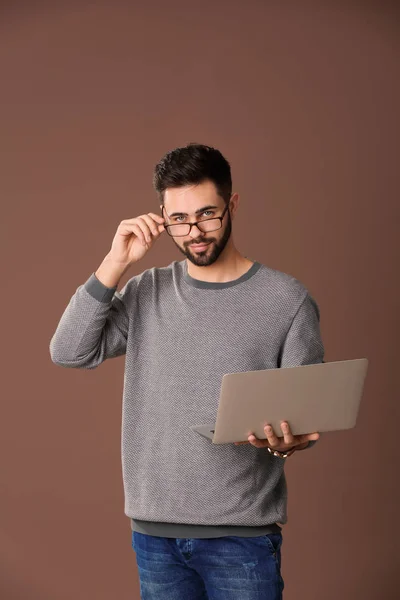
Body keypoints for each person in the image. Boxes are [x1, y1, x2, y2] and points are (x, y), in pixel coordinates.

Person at [50, 143, 324, 599]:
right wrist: (115, 263)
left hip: (243, 538)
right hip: (154, 535)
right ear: (162, 216)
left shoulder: (286, 300)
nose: (194, 231)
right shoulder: (145, 291)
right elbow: (70, 351)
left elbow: (306, 413)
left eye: (207, 214)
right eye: (179, 219)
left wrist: (288, 441)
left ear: (232, 204)